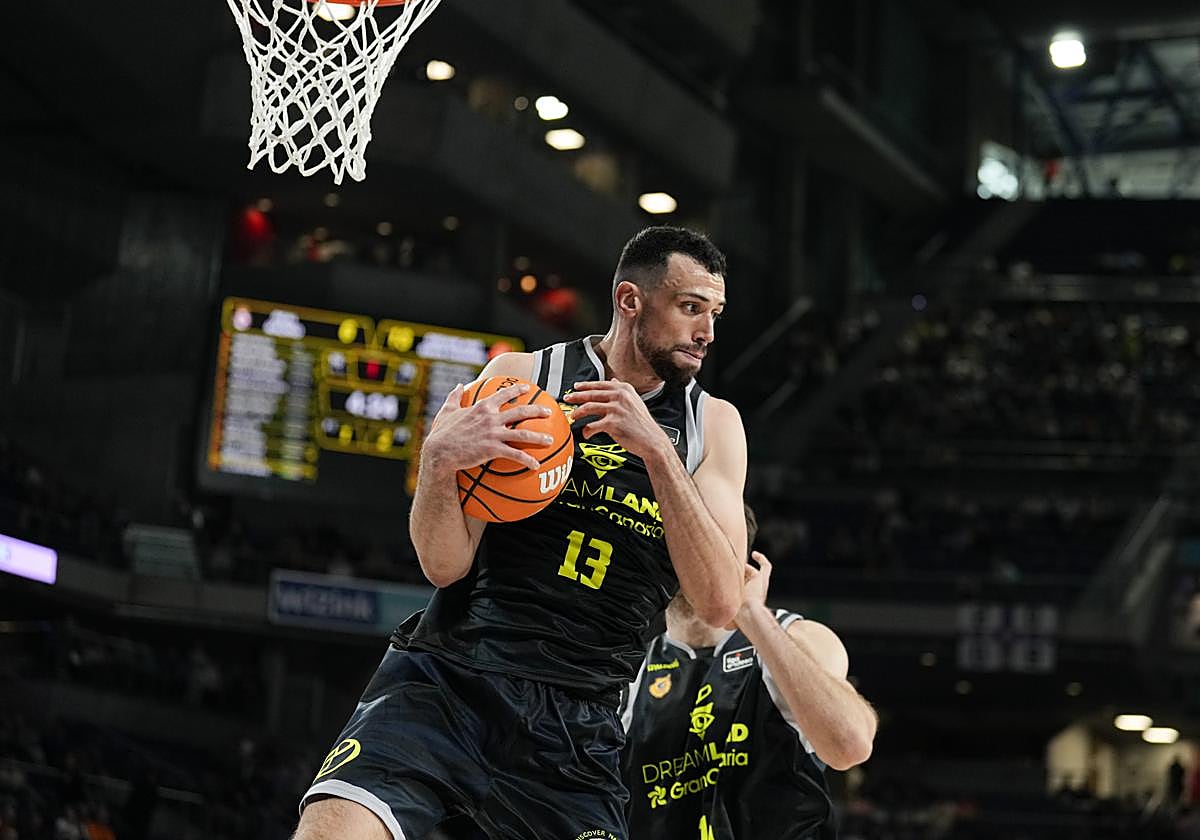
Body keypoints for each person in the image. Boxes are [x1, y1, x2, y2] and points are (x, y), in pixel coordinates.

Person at [294, 226, 748, 840]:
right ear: (630, 301)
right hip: (452, 680)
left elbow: (720, 606)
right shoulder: (524, 378)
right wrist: (436, 464)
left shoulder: (712, 428)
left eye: (714, 313)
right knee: (333, 828)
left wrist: (658, 455)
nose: (707, 333)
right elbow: (443, 564)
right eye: (691, 308)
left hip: (578, 726)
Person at [621, 505, 877, 839]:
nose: (688, 557)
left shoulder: (798, 637)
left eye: (704, 543)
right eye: (677, 541)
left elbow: (850, 745)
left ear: (738, 555)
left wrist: (753, 617)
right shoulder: (627, 663)